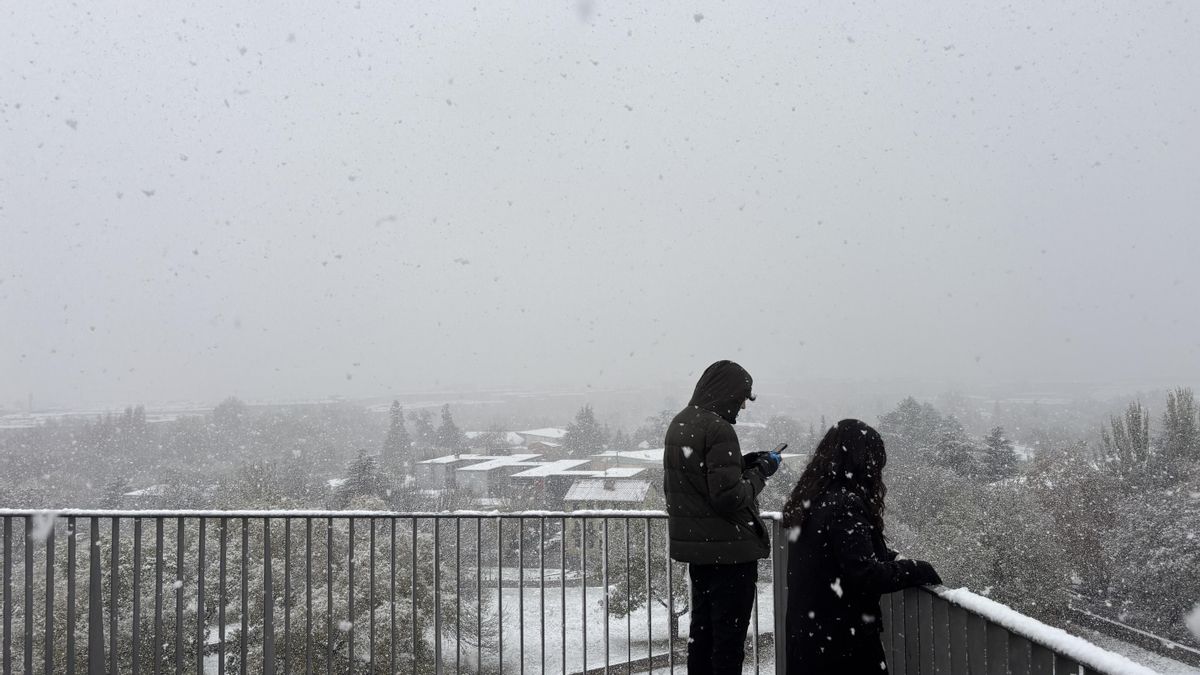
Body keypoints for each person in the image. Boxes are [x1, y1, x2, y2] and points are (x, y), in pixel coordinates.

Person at [781, 419, 942, 674]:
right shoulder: (844, 504)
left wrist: (884, 555)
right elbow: (865, 574)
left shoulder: (813, 498)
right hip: (841, 642)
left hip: (810, 635)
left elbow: (836, 552)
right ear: (861, 462)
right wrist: (917, 569)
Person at [663, 360, 783, 674]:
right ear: (726, 392)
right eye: (742, 396)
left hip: (700, 554)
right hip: (731, 556)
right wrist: (761, 474)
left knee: (701, 638)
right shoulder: (719, 428)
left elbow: (701, 481)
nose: (743, 405)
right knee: (728, 645)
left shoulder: (681, 423)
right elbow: (728, 497)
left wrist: (743, 464)